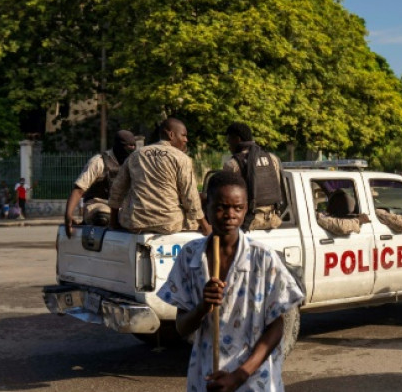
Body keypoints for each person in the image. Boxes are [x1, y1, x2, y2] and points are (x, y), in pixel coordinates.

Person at [157, 171, 304, 391]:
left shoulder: (262, 257)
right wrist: (202, 307)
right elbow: (181, 327)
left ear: (246, 209)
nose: (230, 215)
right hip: (208, 376)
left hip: (254, 379)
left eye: (238, 208)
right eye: (221, 207)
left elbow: (277, 327)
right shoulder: (190, 256)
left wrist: (240, 374)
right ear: (206, 207)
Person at [109, 117, 210, 235]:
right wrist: (205, 226)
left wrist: (113, 222)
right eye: (183, 135)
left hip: (136, 223)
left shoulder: (136, 155)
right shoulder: (181, 158)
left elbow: (117, 189)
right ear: (171, 134)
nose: (186, 140)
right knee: (196, 220)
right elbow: (190, 197)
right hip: (169, 223)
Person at [64, 130, 136, 238]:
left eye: (134, 146)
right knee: (103, 216)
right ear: (118, 146)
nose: (132, 149)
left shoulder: (134, 163)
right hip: (99, 205)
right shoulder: (99, 162)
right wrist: (68, 215)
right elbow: (79, 189)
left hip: (123, 208)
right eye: (128, 146)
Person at [222, 122, 284, 231]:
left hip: (248, 223)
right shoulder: (272, 158)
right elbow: (277, 187)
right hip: (273, 221)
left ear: (237, 139)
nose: (228, 144)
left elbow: (227, 198)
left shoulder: (232, 164)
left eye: (229, 140)